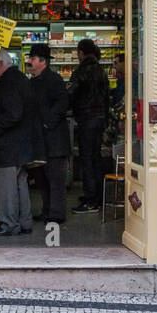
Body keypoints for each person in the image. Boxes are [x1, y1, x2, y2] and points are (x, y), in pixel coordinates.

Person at [0, 50, 43, 236]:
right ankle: (25, 222)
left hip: (8, 146)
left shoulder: (7, 82)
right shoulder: (21, 78)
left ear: (0, 64)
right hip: (23, 145)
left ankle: (9, 224)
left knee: (6, 187)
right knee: (21, 183)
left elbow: (13, 113)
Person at [27, 44, 70, 224]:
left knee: (55, 179)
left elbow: (63, 103)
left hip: (54, 140)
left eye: (33, 58)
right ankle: (47, 211)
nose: (29, 61)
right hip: (41, 140)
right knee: (42, 179)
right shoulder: (34, 81)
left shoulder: (53, 80)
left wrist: (47, 122)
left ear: (42, 61)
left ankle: (56, 213)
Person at [67, 37, 109, 214]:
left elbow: (72, 93)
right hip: (99, 119)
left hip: (87, 118)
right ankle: (97, 196)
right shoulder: (100, 70)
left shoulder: (82, 70)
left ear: (80, 53)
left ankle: (91, 201)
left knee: (87, 159)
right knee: (95, 158)